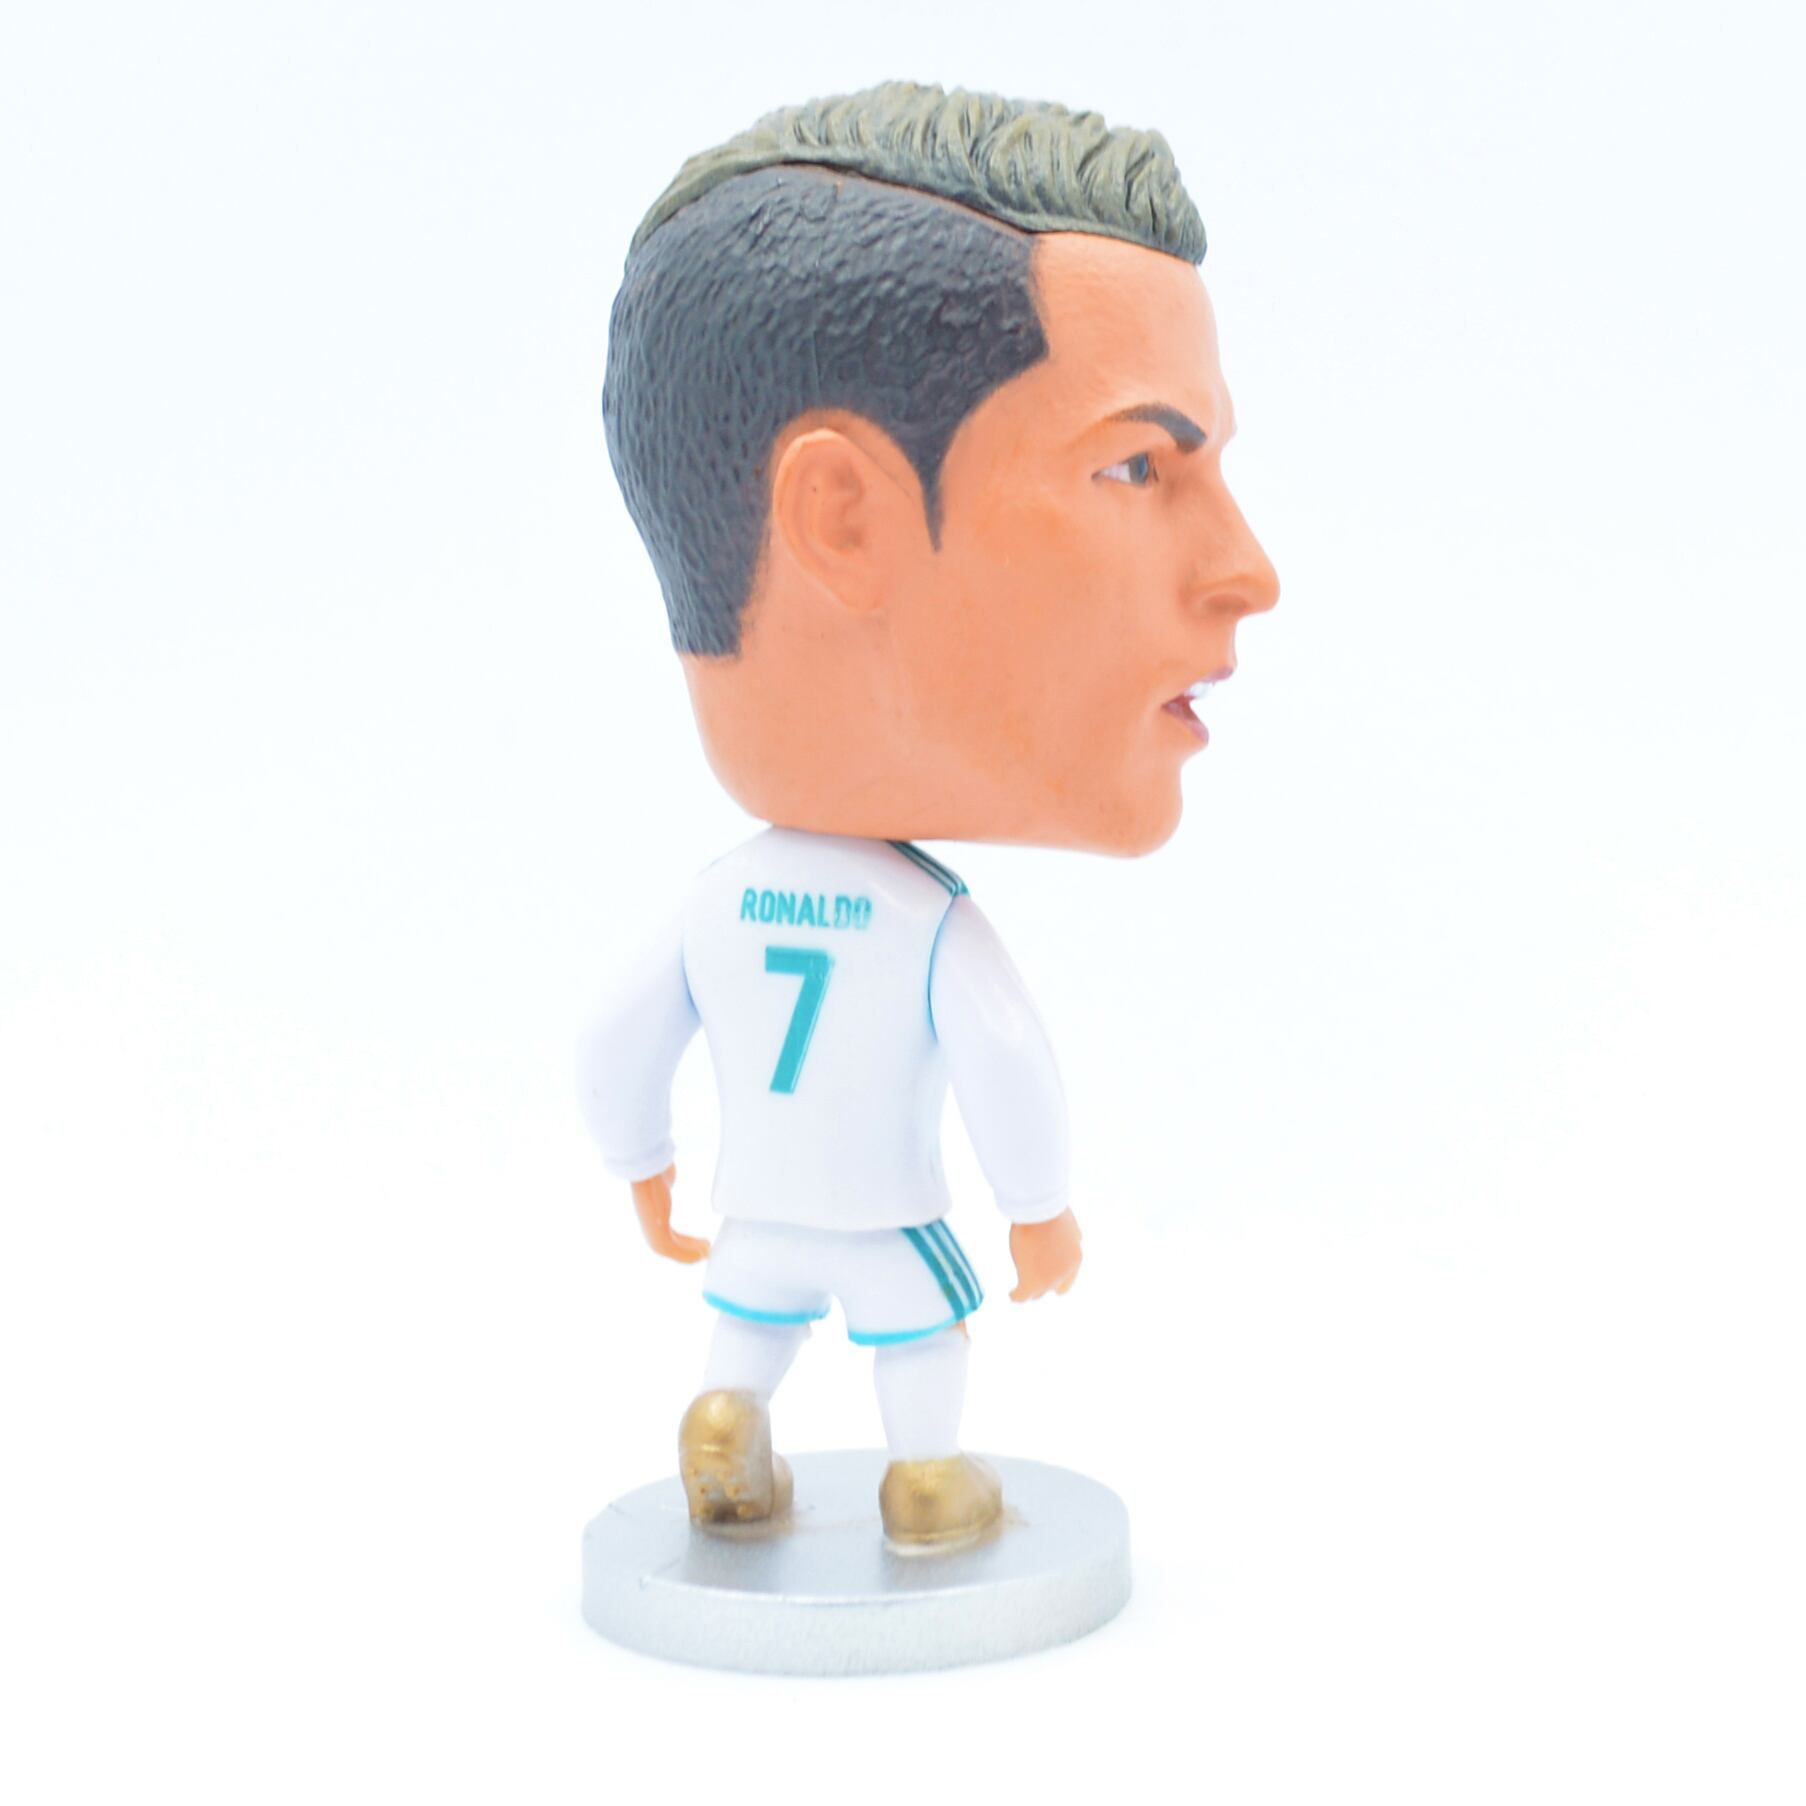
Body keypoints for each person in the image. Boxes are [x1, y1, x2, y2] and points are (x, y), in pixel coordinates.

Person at [580, 82, 1279, 1548]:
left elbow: (619, 1044)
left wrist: (641, 1164)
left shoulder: (717, 908)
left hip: (754, 1216)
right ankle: (923, 1481)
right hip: (889, 1216)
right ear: (843, 517)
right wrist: (1039, 1207)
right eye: (1136, 465)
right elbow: (1007, 1068)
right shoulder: (923, 927)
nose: (1247, 571)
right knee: (921, 1350)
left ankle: (728, 1415)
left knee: (745, 1339)